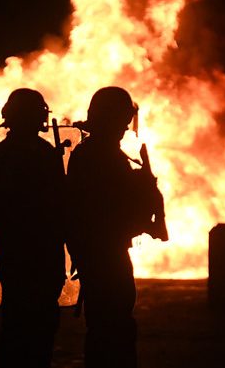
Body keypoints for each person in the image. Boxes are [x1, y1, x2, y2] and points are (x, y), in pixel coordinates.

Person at [66, 86, 165, 368]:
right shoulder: (99, 157)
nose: (124, 128)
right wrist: (143, 190)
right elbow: (109, 206)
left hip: (102, 250)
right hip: (104, 252)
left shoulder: (99, 154)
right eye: (121, 120)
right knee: (112, 328)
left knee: (111, 326)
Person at [0, 88, 66, 368]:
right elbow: (55, 200)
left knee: (19, 321)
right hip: (37, 248)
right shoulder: (39, 155)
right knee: (35, 324)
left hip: (18, 247)